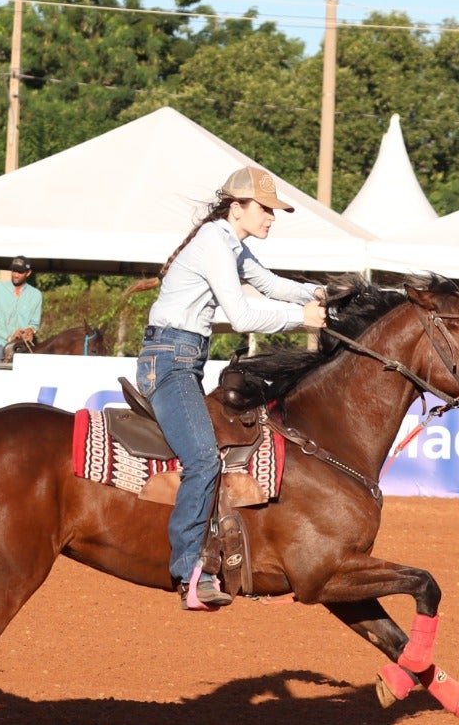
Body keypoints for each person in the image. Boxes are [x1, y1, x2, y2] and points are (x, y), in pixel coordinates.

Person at [138, 165, 327, 611]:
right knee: (203, 458)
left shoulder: (228, 243)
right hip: (171, 361)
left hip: (180, 357)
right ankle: (189, 573)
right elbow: (241, 317)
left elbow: (270, 284)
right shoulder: (213, 244)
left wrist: (322, 294)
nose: (271, 217)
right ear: (237, 206)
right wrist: (300, 319)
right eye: (265, 208)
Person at [0, 255, 42, 363]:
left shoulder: (36, 295)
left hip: (23, 344)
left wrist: (30, 330)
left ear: (28, 273)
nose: (15, 274)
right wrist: (9, 336)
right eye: (14, 270)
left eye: (20, 272)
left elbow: (35, 323)